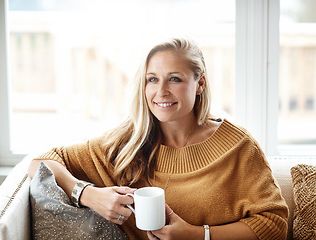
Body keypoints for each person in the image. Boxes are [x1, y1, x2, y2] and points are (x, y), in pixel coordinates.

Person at [28, 38, 288, 240]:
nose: (161, 91)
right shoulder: (126, 143)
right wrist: (87, 194)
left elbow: (275, 224)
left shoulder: (237, 147)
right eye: (152, 80)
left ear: (200, 84)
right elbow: (40, 162)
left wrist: (198, 235)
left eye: (174, 79)